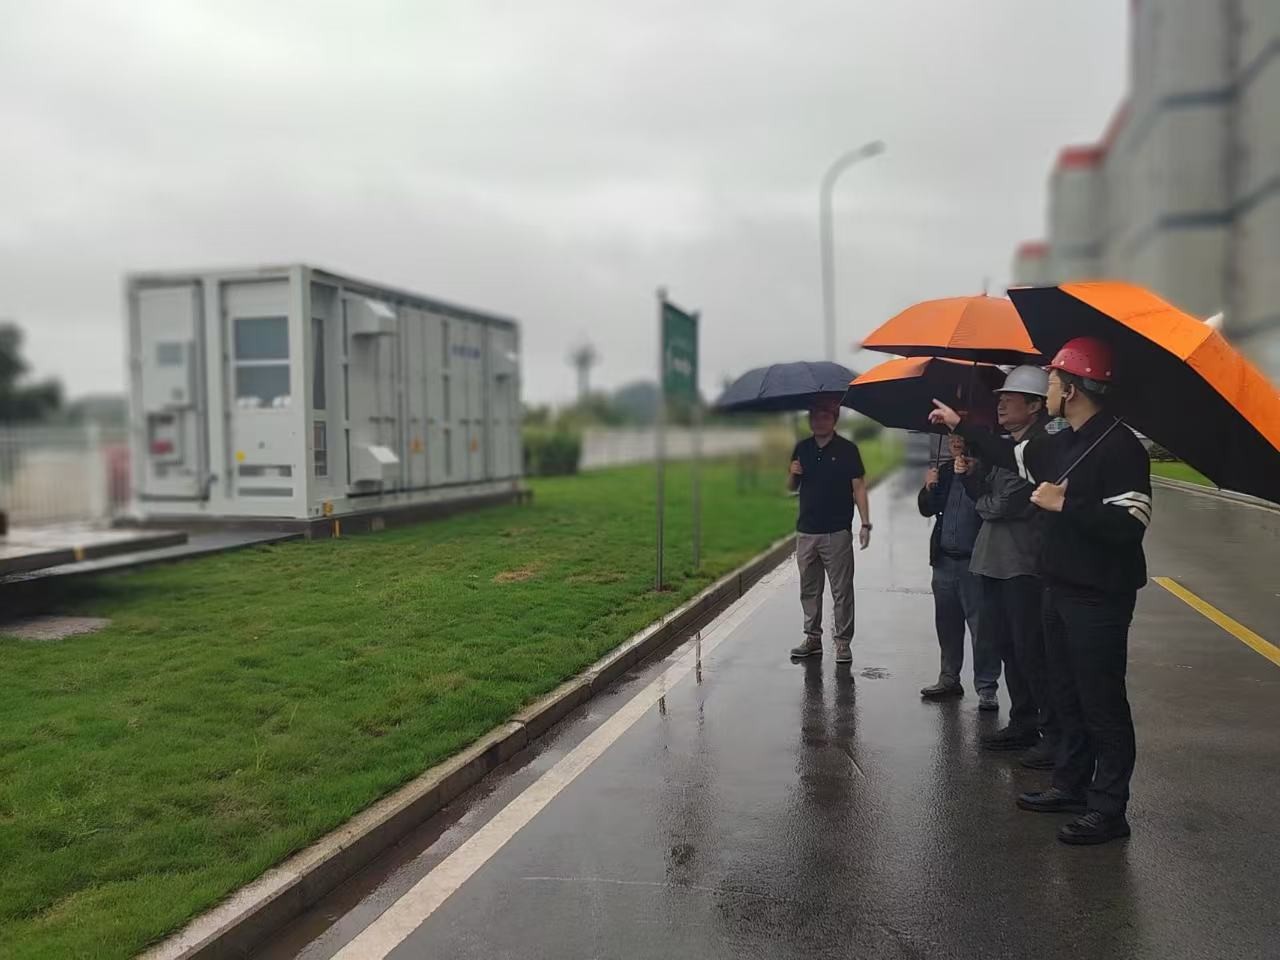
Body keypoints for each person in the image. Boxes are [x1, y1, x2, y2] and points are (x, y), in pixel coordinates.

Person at [1015, 337, 1151, 846]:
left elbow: (1131, 524)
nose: (1047, 388)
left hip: (1098, 597)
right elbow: (1023, 457)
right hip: (1059, 587)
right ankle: (1070, 785)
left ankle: (1109, 809)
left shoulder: (1120, 446)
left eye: (1052, 380)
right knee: (1065, 694)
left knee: (1102, 703)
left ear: (1071, 389)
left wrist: (1065, 506)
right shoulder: (1066, 442)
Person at [958, 366, 1059, 770]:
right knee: (1007, 648)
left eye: (1011, 398)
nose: (1001, 404)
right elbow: (987, 495)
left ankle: (1050, 733)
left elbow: (1001, 505)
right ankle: (1023, 721)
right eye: (1000, 397)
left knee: (1031, 651)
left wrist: (981, 495)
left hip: (1022, 565)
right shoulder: (1006, 449)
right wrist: (970, 474)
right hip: (995, 562)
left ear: (1034, 406)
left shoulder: (1036, 449)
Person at [787, 397, 872, 665]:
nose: (818, 421)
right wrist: (793, 473)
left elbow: (858, 487)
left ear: (834, 419)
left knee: (841, 591)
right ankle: (812, 638)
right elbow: (792, 487)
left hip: (836, 531)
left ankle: (843, 642)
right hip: (807, 531)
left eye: (824, 416)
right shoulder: (802, 448)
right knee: (809, 589)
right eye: (814, 416)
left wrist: (865, 523)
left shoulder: (847, 450)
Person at [917, 433, 997, 705]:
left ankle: (986, 688)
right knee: (947, 625)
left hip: (975, 563)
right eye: (951, 435)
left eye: (961, 434)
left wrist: (970, 475)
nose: (955, 440)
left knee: (982, 629)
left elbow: (992, 508)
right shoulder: (944, 471)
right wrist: (928, 487)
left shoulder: (986, 471)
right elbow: (927, 510)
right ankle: (949, 678)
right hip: (943, 562)